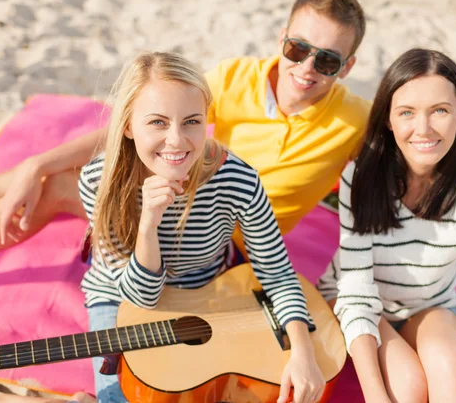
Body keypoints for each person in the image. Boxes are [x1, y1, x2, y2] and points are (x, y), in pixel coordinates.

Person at [0, 0, 370, 253]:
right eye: (298, 48)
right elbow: (140, 126)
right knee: (47, 172)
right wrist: (34, 163)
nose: (305, 68)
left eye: (327, 61)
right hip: (181, 191)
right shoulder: (236, 76)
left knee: (57, 187)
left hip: (217, 238)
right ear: (282, 38)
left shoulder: (356, 119)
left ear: (348, 67)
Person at [78, 51, 323, 403]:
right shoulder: (97, 182)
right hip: (120, 296)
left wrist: (302, 351)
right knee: (119, 398)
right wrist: (148, 224)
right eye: (158, 122)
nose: (177, 140)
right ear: (128, 124)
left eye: (191, 121)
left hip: (208, 292)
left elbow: (278, 274)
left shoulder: (237, 179)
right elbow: (141, 299)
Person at [317, 49, 456, 403]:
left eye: (439, 110)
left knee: (454, 379)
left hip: (432, 304)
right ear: (389, 120)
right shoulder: (361, 177)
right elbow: (357, 293)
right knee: (407, 387)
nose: (423, 129)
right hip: (354, 299)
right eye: (407, 113)